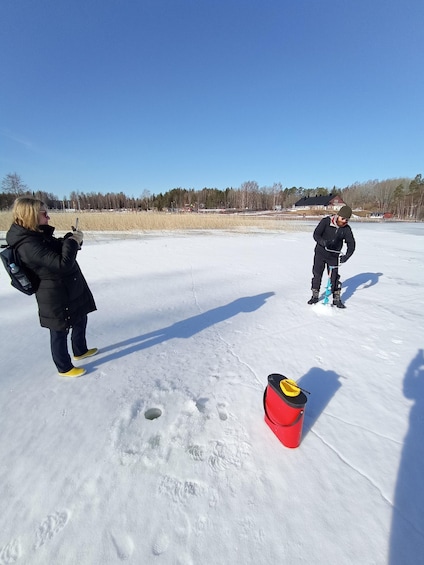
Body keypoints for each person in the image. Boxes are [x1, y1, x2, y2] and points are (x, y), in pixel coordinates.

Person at [6, 196, 97, 377]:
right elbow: (61, 264)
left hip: (67, 287)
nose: (48, 218)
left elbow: (58, 248)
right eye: (44, 214)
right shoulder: (27, 244)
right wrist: (72, 243)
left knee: (80, 317)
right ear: (30, 215)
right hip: (53, 293)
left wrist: (71, 239)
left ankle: (80, 350)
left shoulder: (37, 234)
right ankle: (64, 367)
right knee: (59, 329)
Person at [307, 205, 356, 308]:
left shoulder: (346, 229)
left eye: (347, 220)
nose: (344, 222)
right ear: (338, 216)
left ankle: (336, 299)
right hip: (321, 253)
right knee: (317, 274)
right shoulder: (326, 222)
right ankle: (315, 295)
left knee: (334, 277)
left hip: (334, 256)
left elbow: (351, 244)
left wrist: (346, 256)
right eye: (343, 219)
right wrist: (322, 242)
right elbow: (316, 234)